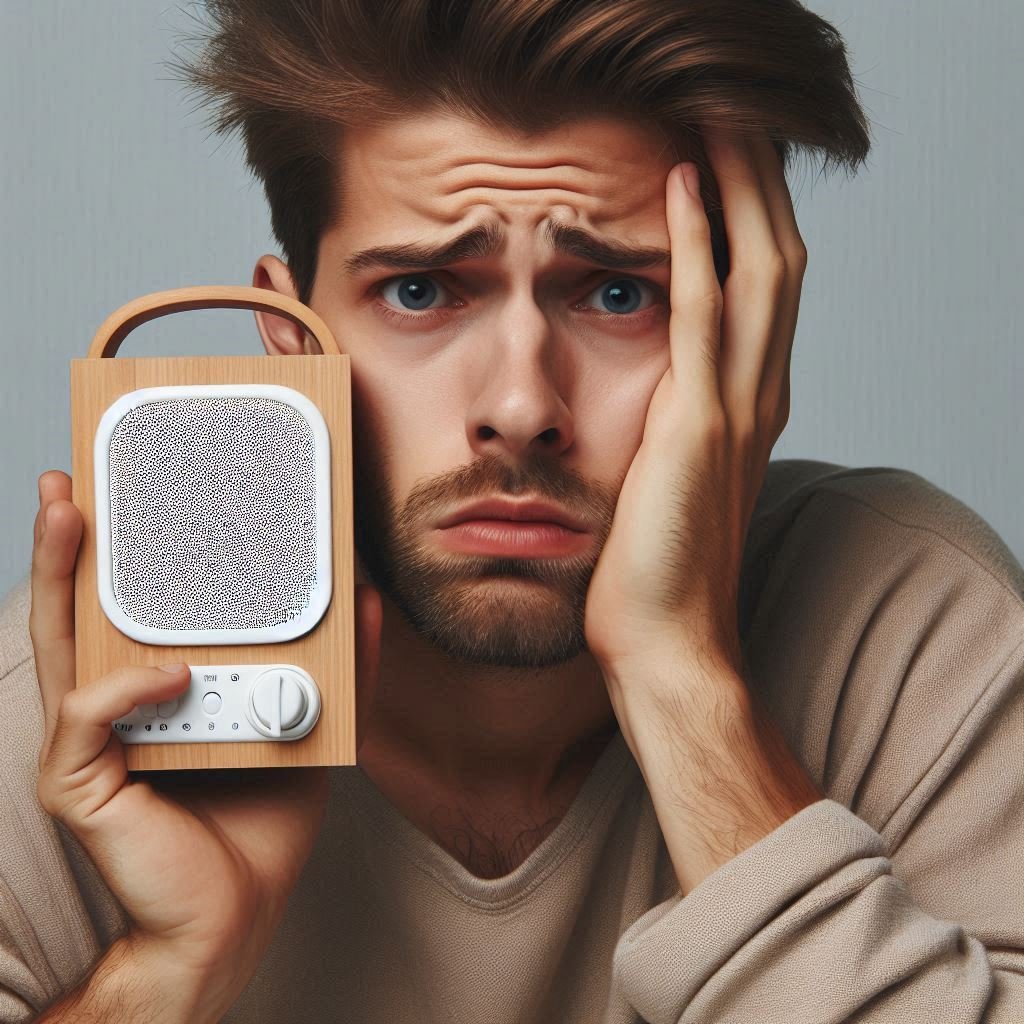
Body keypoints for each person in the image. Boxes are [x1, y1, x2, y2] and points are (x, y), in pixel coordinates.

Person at [2, 1, 1022, 1021]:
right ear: (289, 338)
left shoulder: (907, 633)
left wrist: (684, 687)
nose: (521, 407)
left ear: (746, 331)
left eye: (618, 295)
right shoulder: (78, 709)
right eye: (420, 290)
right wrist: (169, 968)